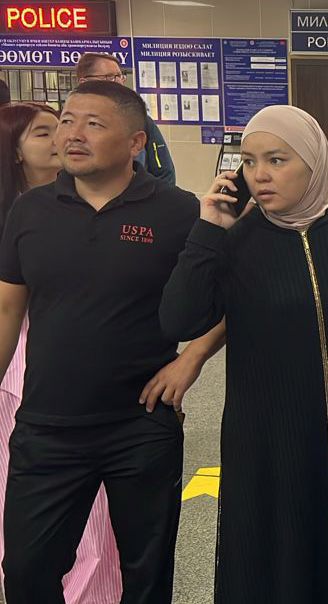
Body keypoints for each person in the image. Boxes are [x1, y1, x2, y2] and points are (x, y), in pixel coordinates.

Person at [158, 104, 328, 603]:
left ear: (314, 162)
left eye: (276, 160)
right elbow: (179, 320)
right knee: (281, 552)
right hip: (271, 435)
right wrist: (208, 229)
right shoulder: (237, 241)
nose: (259, 175)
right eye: (249, 161)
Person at [0, 81, 222, 604]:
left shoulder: (177, 211)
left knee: (146, 578)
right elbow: (8, 308)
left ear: (135, 142)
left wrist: (191, 359)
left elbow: (231, 294)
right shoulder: (31, 211)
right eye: (67, 121)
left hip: (139, 424)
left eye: (93, 124)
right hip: (47, 427)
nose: (72, 134)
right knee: (27, 571)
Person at [0, 103, 124, 604]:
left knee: (98, 510)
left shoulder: (95, 202)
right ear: (13, 151)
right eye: (44, 132)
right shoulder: (22, 214)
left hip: (92, 370)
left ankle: (96, 590)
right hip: (25, 365)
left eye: (66, 126)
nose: (62, 138)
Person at [75, 53, 176, 186]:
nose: (118, 83)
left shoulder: (140, 121)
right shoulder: (69, 127)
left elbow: (165, 172)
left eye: (119, 76)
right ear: (84, 82)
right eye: (109, 77)